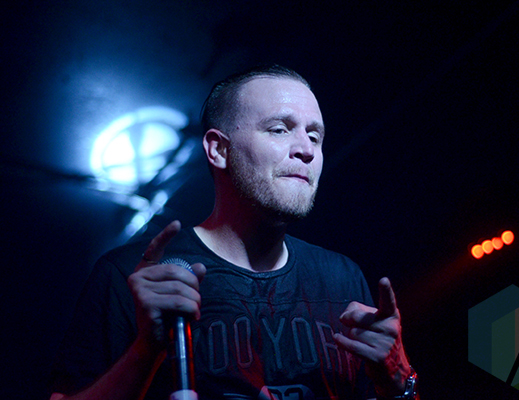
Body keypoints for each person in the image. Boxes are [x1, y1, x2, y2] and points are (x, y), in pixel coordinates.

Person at [49, 65, 417, 400]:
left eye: (315, 136)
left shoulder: (341, 277)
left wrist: (399, 382)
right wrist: (145, 350)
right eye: (279, 129)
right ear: (219, 149)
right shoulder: (131, 275)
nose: (306, 150)